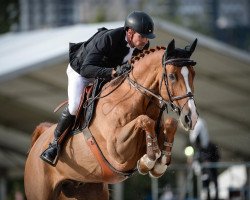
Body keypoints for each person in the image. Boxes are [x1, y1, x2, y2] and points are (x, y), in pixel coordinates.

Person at [40, 11, 156, 166]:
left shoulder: (141, 45)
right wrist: (113, 72)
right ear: (129, 32)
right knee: (74, 107)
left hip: (107, 74)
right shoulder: (108, 39)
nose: (144, 41)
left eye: (147, 38)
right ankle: (54, 144)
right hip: (81, 72)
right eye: (141, 37)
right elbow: (87, 69)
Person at [190, 118, 220, 200]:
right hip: (205, 168)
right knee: (205, 181)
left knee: (213, 181)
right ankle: (208, 196)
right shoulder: (200, 150)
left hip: (211, 168)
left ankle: (215, 196)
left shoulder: (211, 147)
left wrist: (210, 161)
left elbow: (217, 156)